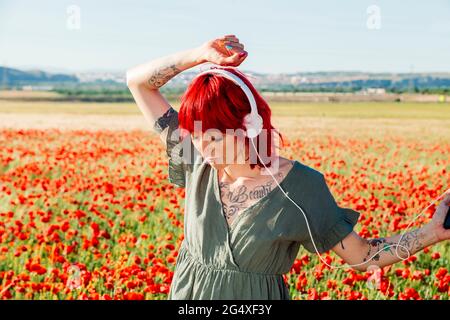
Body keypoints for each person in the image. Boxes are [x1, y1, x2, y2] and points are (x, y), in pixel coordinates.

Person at [126, 34, 450, 300]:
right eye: (195, 137)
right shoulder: (193, 159)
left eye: (214, 138)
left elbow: (363, 255)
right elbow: (138, 83)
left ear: (248, 126)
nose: (203, 149)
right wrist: (198, 55)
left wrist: (432, 232)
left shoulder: (300, 188)